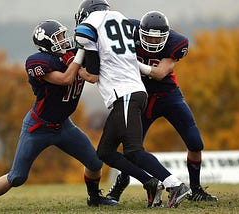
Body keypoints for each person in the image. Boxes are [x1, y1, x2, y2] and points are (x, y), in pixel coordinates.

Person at [0, 19, 118, 212]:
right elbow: (65, 79)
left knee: (95, 163)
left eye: (63, 35)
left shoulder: (72, 54)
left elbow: (94, 70)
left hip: (64, 126)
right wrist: (81, 53)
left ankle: (94, 197)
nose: (64, 40)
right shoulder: (38, 62)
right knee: (17, 177)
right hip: (38, 127)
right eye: (58, 38)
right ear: (46, 43)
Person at [74, 0, 191, 208]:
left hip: (125, 94)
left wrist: (76, 68)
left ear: (86, 13)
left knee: (134, 150)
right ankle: (150, 183)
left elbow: (91, 75)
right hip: (131, 92)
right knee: (105, 153)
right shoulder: (120, 18)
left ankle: (176, 185)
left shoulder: (89, 24)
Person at [106, 11, 218, 203]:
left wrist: (131, 61)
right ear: (140, 32)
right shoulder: (128, 30)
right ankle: (119, 186)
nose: (152, 41)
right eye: (148, 36)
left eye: (157, 38)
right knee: (131, 150)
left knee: (196, 143)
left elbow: (159, 73)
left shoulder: (177, 42)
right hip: (140, 98)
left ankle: (196, 189)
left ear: (167, 36)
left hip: (168, 96)